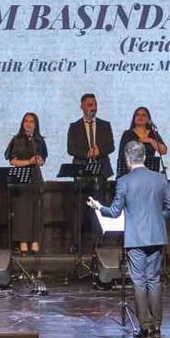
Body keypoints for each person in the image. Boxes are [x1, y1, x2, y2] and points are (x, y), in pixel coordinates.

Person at [88, 141, 170, 338]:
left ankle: (145, 326)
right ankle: (157, 325)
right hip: (156, 236)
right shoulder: (160, 178)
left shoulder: (124, 181)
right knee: (154, 280)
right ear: (145, 157)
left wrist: (98, 207)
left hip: (136, 238)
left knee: (139, 281)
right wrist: (157, 219)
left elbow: (114, 212)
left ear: (127, 159)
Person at [66, 93, 116, 253]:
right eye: (89, 105)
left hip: (101, 172)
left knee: (100, 206)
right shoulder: (74, 126)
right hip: (82, 171)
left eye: (94, 104)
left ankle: (99, 243)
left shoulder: (105, 125)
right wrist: (86, 154)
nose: (93, 107)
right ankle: (76, 243)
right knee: (79, 209)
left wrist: (100, 151)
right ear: (81, 107)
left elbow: (111, 146)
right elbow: (70, 149)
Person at [3, 112, 48, 253]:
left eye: (31, 121)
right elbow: (12, 161)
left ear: (36, 124)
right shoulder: (17, 140)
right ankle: (22, 241)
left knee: (36, 210)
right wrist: (28, 161)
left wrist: (39, 161)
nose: (28, 124)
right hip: (21, 178)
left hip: (36, 177)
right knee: (22, 211)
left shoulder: (39, 140)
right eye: (26, 121)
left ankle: (35, 240)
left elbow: (43, 159)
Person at [117, 106, 168, 176]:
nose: (140, 117)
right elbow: (122, 155)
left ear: (148, 120)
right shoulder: (127, 134)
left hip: (150, 170)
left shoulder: (153, 133)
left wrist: (150, 140)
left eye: (143, 115)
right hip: (131, 172)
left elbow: (163, 151)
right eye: (137, 115)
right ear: (134, 118)